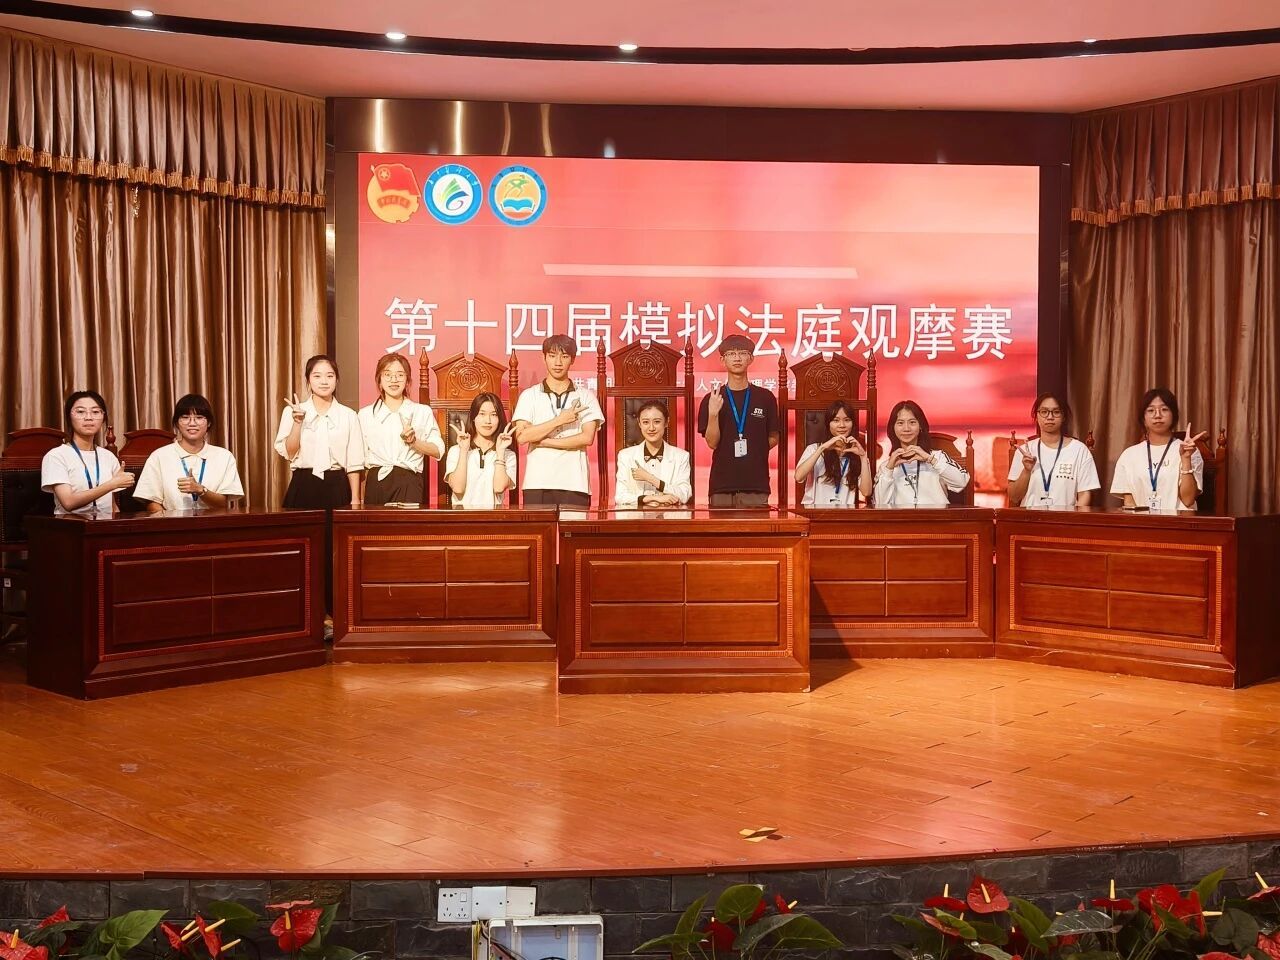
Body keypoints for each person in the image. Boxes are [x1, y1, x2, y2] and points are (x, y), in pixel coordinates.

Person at [511, 335, 604, 507]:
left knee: (575, 526)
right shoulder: (529, 395)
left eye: (565, 356)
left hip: (575, 483)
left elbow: (587, 438)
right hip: (537, 483)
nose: (558, 362)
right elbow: (522, 436)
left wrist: (543, 441)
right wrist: (560, 420)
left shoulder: (586, 396)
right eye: (552, 356)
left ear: (573, 359)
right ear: (544, 357)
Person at [697, 334, 779, 507]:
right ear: (722, 360)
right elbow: (712, 443)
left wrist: (754, 451)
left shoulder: (766, 397)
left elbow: (774, 436)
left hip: (756, 484)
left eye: (742, 353)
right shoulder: (712, 398)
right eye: (731, 353)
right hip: (722, 485)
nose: (737, 358)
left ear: (751, 358)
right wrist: (713, 413)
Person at [275, 355, 365, 508]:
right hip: (303, 484)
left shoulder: (349, 415)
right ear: (308, 380)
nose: (324, 381)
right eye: (317, 376)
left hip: (337, 485)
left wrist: (355, 499)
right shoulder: (292, 411)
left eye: (330, 376)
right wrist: (297, 423)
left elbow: (354, 462)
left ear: (336, 380)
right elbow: (290, 453)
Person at [134, 394, 244, 513]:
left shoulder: (224, 457)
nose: (192, 423)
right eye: (185, 417)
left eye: (199, 417)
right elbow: (152, 502)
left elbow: (223, 503)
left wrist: (201, 490)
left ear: (209, 423)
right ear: (177, 423)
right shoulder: (159, 456)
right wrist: (170, 523)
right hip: (171, 523)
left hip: (212, 523)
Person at [358, 353, 442, 506]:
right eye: (387, 375)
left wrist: (414, 442)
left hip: (409, 481)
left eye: (400, 375)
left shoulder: (421, 412)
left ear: (407, 380)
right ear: (379, 380)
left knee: (407, 522)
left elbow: (438, 450)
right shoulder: (365, 414)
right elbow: (360, 461)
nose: (394, 380)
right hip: (376, 482)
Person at [1110, 387, 1206, 512]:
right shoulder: (1129, 455)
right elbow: (1129, 503)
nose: (1157, 415)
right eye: (1151, 410)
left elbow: (1188, 500)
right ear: (1143, 419)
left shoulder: (1190, 451)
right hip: (1142, 522)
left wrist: (1186, 459)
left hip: (1179, 521)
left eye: (1164, 409)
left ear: (1174, 416)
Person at [41, 391, 134, 515]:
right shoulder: (56, 456)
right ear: (69, 417)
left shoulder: (108, 456)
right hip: (71, 524)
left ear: (103, 417)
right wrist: (112, 484)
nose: (89, 417)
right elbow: (68, 503)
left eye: (95, 412)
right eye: (80, 412)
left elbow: (112, 507)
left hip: (104, 524)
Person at [1007, 392, 1101, 508]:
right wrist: (1026, 471)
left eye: (1056, 412)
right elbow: (1014, 497)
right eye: (1044, 412)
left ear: (1063, 416)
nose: (1050, 417)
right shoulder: (1025, 451)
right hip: (1029, 517)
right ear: (1036, 416)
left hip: (1065, 518)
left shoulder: (1079, 450)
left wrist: (1072, 518)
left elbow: (1085, 495)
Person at [873, 400, 969, 508]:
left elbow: (961, 482)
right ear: (893, 428)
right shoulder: (886, 467)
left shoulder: (937, 457)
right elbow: (879, 505)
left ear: (920, 426)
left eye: (912, 422)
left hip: (937, 518)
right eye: (900, 423)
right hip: (902, 519)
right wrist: (889, 469)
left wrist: (930, 459)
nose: (906, 428)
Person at [792, 399, 871, 507]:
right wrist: (822, 448)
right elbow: (798, 477)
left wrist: (863, 457)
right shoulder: (814, 448)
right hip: (814, 512)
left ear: (853, 424)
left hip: (845, 513)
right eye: (836, 420)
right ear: (828, 424)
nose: (842, 425)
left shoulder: (857, 453)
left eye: (847, 420)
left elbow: (866, 492)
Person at [444, 392, 517, 508]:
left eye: (494, 415)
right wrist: (463, 451)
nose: (488, 421)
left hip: (494, 516)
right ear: (473, 417)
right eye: (482, 414)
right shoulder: (456, 451)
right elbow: (458, 488)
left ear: (500, 419)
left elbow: (499, 488)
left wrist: (500, 452)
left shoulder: (508, 454)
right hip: (461, 516)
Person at [614, 401, 692, 508]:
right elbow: (620, 496)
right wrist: (651, 498)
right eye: (646, 422)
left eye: (657, 422)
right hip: (636, 516)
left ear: (666, 422)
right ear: (639, 424)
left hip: (669, 516)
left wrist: (651, 479)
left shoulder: (681, 456)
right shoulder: (625, 456)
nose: (651, 428)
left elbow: (684, 494)